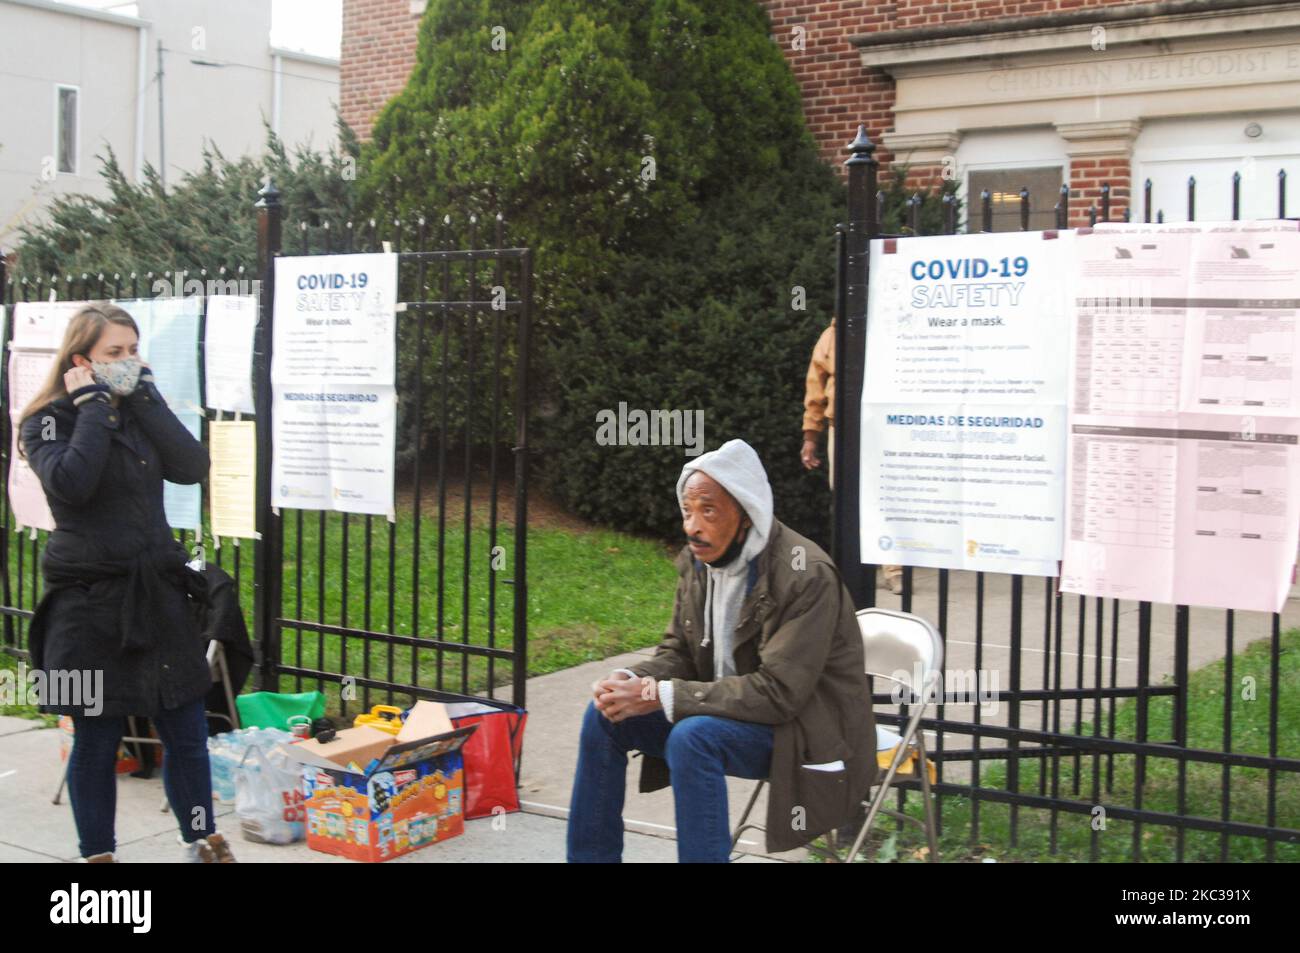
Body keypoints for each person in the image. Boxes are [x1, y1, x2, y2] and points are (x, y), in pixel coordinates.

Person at [567, 438, 876, 862]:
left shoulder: (805, 575)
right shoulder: (700, 560)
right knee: (604, 716)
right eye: (688, 510)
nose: (692, 526)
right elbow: (680, 652)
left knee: (695, 738)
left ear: (747, 515)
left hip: (804, 729)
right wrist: (633, 680)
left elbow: (779, 694)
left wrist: (662, 696)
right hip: (735, 711)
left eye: (708, 510)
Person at [18, 302, 236, 863]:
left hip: (156, 595)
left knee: (186, 726)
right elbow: (72, 484)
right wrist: (91, 407)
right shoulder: (44, 419)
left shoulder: (140, 406)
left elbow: (191, 465)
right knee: (95, 737)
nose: (128, 360)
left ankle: (203, 839)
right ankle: (98, 857)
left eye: (134, 350)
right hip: (85, 604)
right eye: (114, 353)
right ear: (80, 359)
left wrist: (142, 395)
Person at [801, 316, 904, 594]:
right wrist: (811, 436)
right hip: (842, 427)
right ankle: (849, 568)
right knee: (844, 498)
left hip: (881, 426)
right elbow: (815, 389)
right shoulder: (831, 337)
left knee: (883, 496)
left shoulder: (887, 330)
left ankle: (892, 568)